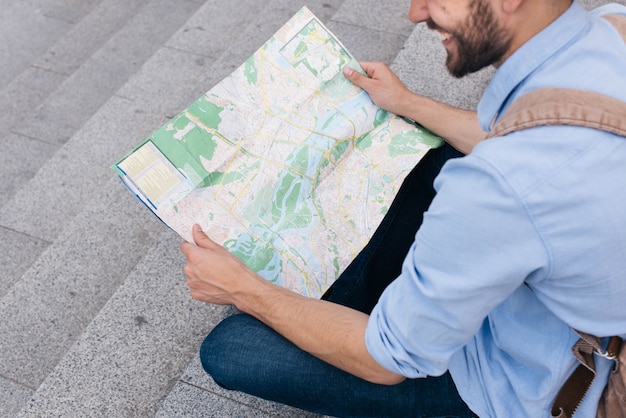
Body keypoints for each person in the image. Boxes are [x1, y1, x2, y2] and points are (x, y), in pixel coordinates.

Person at [180, 0, 626, 416]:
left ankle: (368, 305)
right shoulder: (613, 27)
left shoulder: (496, 191)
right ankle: (382, 301)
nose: (416, 13)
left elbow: (388, 361)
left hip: (530, 385)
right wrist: (407, 103)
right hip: (557, 298)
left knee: (232, 348)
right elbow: (532, 139)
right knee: (434, 160)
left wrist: (242, 288)